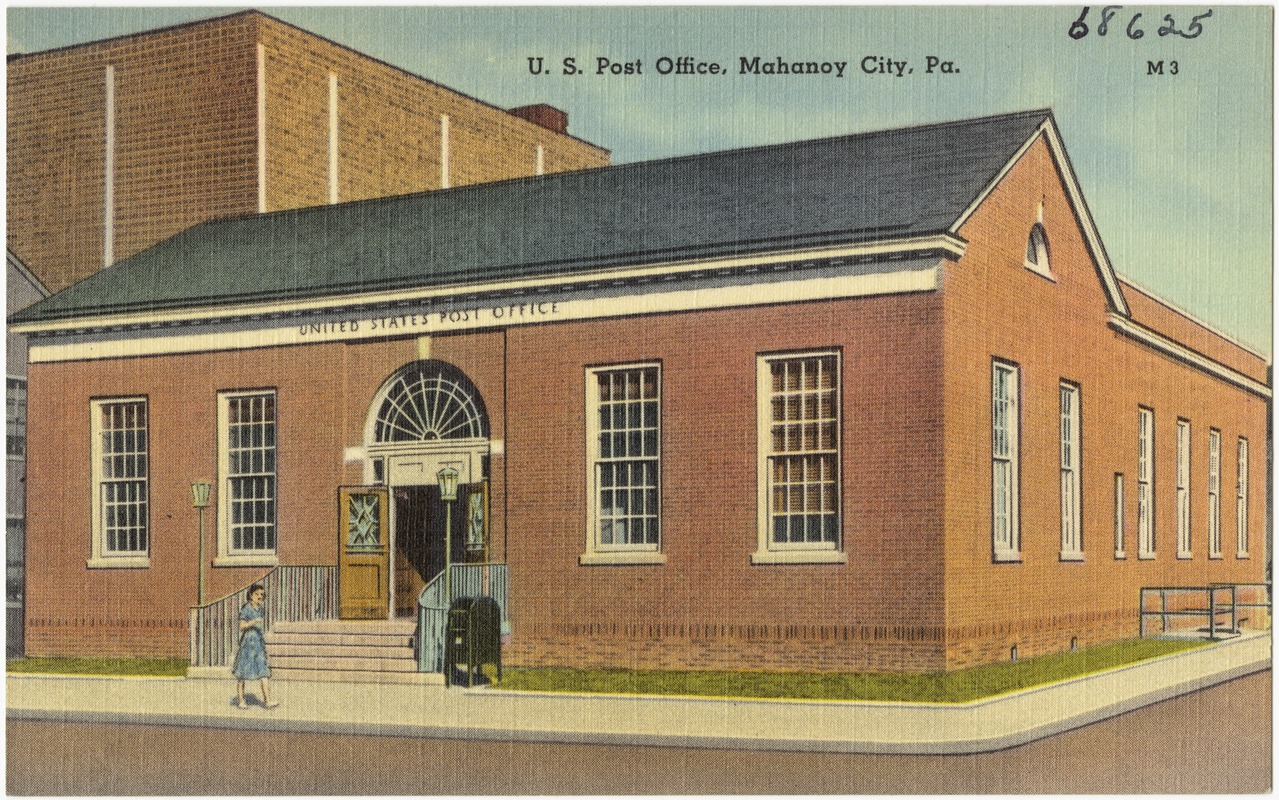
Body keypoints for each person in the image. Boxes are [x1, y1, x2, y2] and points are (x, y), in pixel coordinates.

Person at [231, 584, 278, 709]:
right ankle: (241, 701)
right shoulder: (246, 608)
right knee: (242, 673)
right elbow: (241, 626)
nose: (259, 597)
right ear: (251, 595)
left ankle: (267, 700)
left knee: (264, 671)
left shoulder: (261, 609)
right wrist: (252, 622)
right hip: (247, 643)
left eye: (262, 595)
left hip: (258, 642)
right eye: (257, 594)